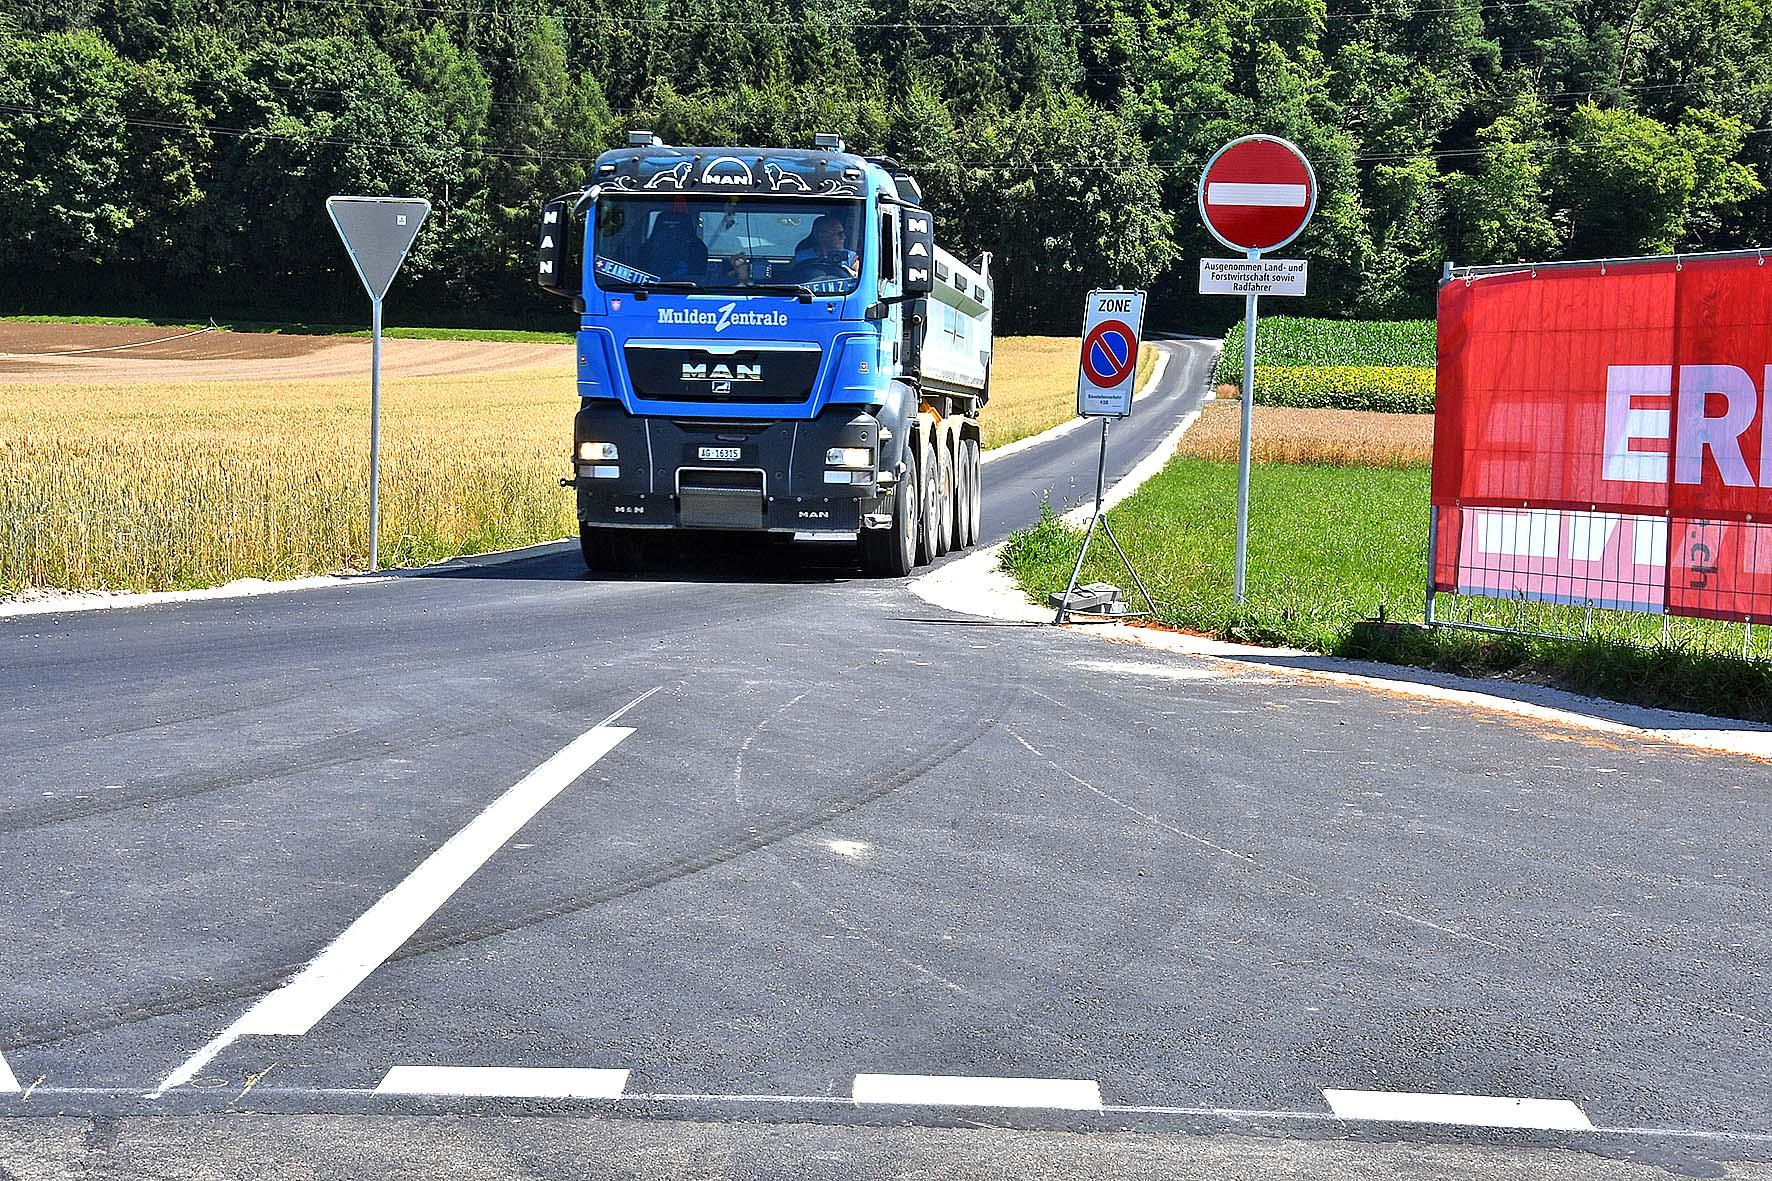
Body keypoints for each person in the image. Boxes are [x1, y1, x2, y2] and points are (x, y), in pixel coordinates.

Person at [640, 209, 709, 282]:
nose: (673, 234)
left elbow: (699, 279)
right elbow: (641, 277)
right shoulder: (648, 248)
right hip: (649, 288)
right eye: (667, 230)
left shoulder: (697, 249)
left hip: (691, 290)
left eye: (679, 230)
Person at [791, 214, 860, 279]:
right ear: (821, 235)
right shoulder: (801, 257)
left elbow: (858, 277)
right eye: (839, 234)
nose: (843, 237)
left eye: (843, 233)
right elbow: (793, 277)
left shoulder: (851, 257)